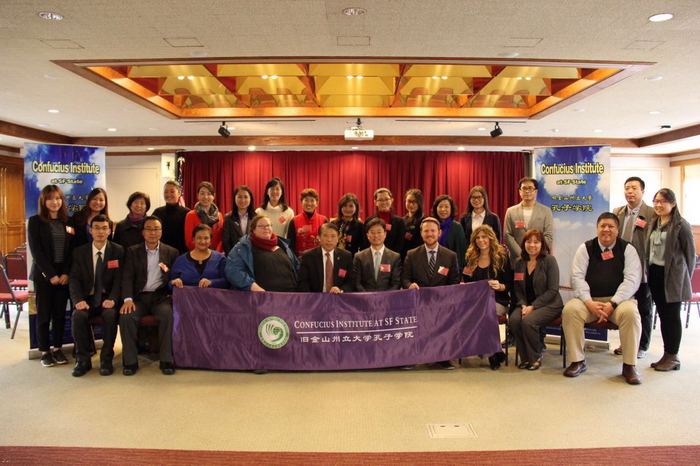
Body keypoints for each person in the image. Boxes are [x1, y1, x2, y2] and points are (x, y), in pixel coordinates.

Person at [561, 212, 642, 385]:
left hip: (619, 302)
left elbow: (632, 280)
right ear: (597, 228)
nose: (606, 230)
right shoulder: (585, 248)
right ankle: (577, 361)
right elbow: (576, 277)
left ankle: (629, 365)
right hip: (591, 301)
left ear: (617, 230)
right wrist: (588, 302)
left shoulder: (628, 249)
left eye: (610, 226)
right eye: (602, 226)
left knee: (631, 312)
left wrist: (613, 303)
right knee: (571, 309)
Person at [119, 216, 179, 376]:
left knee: (168, 315)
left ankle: (166, 359)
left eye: (156, 229)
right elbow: (127, 277)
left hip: (160, 297)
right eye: (149, 229)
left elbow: (175, 276)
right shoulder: (132, 251)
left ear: (161, 232)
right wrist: (127, 299)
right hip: (138, 298)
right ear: (143, 232)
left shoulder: (171, 252)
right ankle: (130, 362)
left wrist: (173, 293)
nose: (153, 233)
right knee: (126, 317)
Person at [646, 188, 696, 372]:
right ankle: (666, 354)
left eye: (663, 201)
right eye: (656, 201)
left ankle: (673, 356)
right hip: (655, 274)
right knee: (663, 315)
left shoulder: (681, 225)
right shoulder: (654, 222)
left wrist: (684, 278)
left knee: (672, 317)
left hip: (673, 278)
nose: (658, 205)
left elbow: (691, 255)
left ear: (673, 204)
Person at [69, 215, 124, 377]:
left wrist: (113, 299)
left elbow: (119, 280)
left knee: (111, 316)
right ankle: (82, 359)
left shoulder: (118, 251)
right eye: (97, 228)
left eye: (104, 228)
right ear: (90, 230)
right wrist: (78, 300)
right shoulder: (80, 252)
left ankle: (106, 359)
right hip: (87, 298)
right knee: (78, 316)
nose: (101, 231)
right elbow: (74, 279)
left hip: (108, 298)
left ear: (110, 231)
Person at [402, 217, 460, 370]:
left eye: (433, 231)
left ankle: (443, 357)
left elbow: (454, 281)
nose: (429, 234)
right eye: (426, 231)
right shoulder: (412, 254)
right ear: (421, 233)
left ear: (439, 233)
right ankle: (412, 356)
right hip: (418, 301)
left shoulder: (450, 256)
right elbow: (405, 279)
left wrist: (444, 295)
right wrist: (409, 285)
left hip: (442, 303)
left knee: (448, 314)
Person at [27, 185, 74, 367]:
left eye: (57, 198)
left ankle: (58, 349)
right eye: (50, 198)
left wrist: (66, 273)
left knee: (60, 315)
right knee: (44, 315)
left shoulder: (68, 222)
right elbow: (36, 252)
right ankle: (45, 351)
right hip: (44, 275)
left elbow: (71, 251)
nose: (54, 202)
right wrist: (50, 275)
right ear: (43, 201)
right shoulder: (35, 222)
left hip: (63, 276)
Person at [611, 176, 655, 359]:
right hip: (621, 269)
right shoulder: (618, 212)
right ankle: (626, 343)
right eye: (627, 188)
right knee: (624, 308)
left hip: (643, 269)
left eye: (634, 188)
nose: (630, 191)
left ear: (642, 192)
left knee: (644, 308)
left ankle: (642, 345)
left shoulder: (651, 213)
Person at [509, 229, 563, 371]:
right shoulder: (519, 262)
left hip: (549, 304)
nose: (532, 245)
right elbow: (517, 288)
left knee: (529, 321)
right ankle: (525, 357)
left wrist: (533, 306)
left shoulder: (549, 260)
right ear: (524, 244)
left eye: (536, 242)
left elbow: (553, 290)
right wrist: (523, 305)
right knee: (514, 320)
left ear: (542, 245)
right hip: (525, 304)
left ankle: (535, 357)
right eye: (528, 242)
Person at [463, 224, 511, 369]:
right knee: (480, 313)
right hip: (477, 302)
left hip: (498, 301)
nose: (481, 240)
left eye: (484, 237)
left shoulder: (502, 258)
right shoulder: (470, 258)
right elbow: (467, 283)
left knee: (485, 314)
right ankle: (496, 351)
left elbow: (509, 284)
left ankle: (492, 354)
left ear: (491, 238)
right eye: (477, 238)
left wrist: (499, 286)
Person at [225, 214, 298, 292]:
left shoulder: (284, 246)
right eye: (261, 226)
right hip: (261, 296)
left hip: (291, 295)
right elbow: (233, 270)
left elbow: (297, 268)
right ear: (253, 230)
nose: (266, 228)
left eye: (268, 225)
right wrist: (252, 286)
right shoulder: (242, 247)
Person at [504, 177, 554, 267]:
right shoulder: (511, 211)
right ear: (520, 192)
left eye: (530, 188)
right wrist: (521, 254)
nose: (527, 191)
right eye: (524, 188)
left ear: (536, 191)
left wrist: (536, 253)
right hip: (517, 260)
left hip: (539, 260)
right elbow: (508, 235)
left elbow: (548, 235)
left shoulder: (546, 211)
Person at [297, 223, 354, 293]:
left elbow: (350, 280)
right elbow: (302, 282)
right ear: (319, 237)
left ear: (338, 238)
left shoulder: (346, 256)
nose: (329, 240)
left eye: (333, 236)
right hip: (315, 297)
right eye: (325, 236)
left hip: (338, 296)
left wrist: (341, 290)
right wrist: (312, 297)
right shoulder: (308, 256)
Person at [170, 224, 228, 290]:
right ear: (193, 239)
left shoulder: (220, 259)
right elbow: (170, 284)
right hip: (186, 296)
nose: (203, 241)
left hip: (214, 296)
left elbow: (226, 282)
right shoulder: (180, 260)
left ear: (210, 240)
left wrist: (211, 282)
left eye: (206, 238)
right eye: (199, 238)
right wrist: (174, 282)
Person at [353, 218, 402, 292]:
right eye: (372, 232)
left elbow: (396, 283)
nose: (376, 235)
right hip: (365, 297)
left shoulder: (395, 257)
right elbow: (357, 283)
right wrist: (367, 296)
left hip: (387, 297)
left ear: (385, 234)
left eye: (379, 232)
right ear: (367, 235)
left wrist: (384, 296)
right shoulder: (359, 257)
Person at [287, 188, 329, 258]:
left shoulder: (323, 220)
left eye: (312, 200)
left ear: (317, 203)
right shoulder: (294, 221)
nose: (309, 203)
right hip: (300, 260)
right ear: (301, 202)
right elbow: (291, 245)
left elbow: (327, 241)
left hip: (319, 259)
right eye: (306, 200)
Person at [184, 181, 224, 252]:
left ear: (213, 196)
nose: (205, 197)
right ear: (198, 196)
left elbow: (221, 239)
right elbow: (189, 241)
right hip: (197, 253)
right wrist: (203, 253)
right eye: (202, 193)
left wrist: (216, 253)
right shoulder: (191, 215)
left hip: (215, 253)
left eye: (209, 194)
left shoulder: (219, 216)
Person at [431, 194, 467, 272]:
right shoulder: (432, 226)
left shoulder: (457, 227)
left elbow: (460, 253)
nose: (443, 209)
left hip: (451, 270)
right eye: (440, 206)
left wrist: (457, 272)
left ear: (451, 209)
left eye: (446, 206)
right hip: (431, 268)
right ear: (436, 208)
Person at [364, 188, 405, 255]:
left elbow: (400, 244)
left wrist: (391, 256)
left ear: (391, 200)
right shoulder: (369, 221)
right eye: (380, 200)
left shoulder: (399, 221)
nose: (384, 202)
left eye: (386, 199)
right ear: (376, 202)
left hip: (393, 257)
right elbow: (365, 243)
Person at [153, 180, 190, 254]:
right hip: (162, 253)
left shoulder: (187, 213)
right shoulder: (158, 212)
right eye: (166, 192)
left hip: (182, 253)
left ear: (179, 193)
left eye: (172, 191)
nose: (169, 194)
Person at [222, 185, 255, 256]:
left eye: (245, 197)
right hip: (234, 256)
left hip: (253, 256)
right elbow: (226, 242)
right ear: (235, 198)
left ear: (250, 199)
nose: (242, 200)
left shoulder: (256, 218)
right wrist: (232, 256)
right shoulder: (228, 218)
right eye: (239, 197)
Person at [331, 193, 364, 257]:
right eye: (345, 206)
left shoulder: (360, 226)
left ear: (356, 208)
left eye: (351, 206)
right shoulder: (333, 224)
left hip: (352, 258)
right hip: (334, 258)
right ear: (340, 207)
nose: (348, 209)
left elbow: (363, 247)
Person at [402, 189, 425, 259]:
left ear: (419, 203)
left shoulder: (424, 220)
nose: (411, 204)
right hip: (404, 257)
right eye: (409, 201)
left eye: (414, 202)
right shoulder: (402, 220)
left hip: (419, 257)